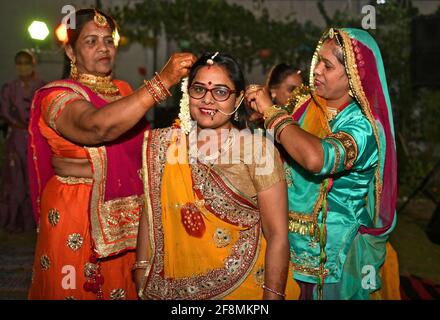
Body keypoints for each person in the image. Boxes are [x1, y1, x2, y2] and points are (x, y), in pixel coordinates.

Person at [27, 8, 196, 300]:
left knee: (125, 286)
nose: (103, 48)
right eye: (91, 41)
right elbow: (97, 127)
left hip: (128, 212)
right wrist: (161, 82)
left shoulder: (123, 90)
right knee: (75, 288)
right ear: (70, 51)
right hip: (77, 209)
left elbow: (140, 148)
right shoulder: (56, 96)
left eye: (108, 40)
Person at [245, 28, 398, 300]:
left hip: (333, 256)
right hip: (286, 242)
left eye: (328, 65)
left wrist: (272, 113)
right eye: (318, 60)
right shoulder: (306, 106)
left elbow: (317, 158)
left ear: (353, 76)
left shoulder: (363, 128)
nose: (316, 70)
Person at [134, 52, 300, 300]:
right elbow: (151, 213)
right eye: (198, 89)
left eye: (221, 92)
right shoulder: (166, 145)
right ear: (187, 92)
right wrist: (141, 269)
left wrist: (272, 297)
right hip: (173, 292)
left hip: (244, 290)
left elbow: (277, 234)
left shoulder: (259, 150)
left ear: (238, 98)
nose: (207, 100)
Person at [0, 49, 45, 233]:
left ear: (33, 64)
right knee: (15, 178)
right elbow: (4, 111)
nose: (23, 67)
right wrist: (19, 124)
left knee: (34, 179)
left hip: (36, 140)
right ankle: (12, 222)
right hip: (17, 139)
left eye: (26, 63)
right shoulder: (9, 88)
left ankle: (34, 224)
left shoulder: (42, 86)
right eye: (19, 63)